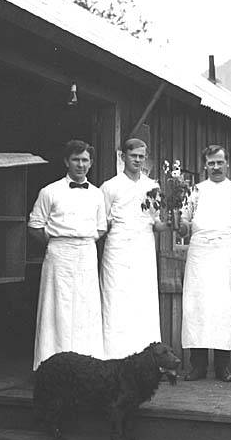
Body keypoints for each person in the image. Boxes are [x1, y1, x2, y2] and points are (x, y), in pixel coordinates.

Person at [28, 139, 107, 371]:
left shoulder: (97, 195)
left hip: (85, 253)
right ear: (66, 161)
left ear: (91, 163)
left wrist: (80, 242)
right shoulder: (49, 191)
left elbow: (101, 227)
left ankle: (88, 366)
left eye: (85, 160)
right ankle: (50, 367)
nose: (80, 165)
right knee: (56, 307)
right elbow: (35, 225)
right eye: (76, 159)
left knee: (86, 308)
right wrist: (57, 242)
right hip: (58, 253)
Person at [180, 144, 231, 383]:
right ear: (205, 166)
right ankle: (197, 366)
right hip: (199, 252)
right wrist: (176, 219)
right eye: (211, 163)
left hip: (225, 252)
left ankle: (223, 367)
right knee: (196, 306)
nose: (216, 167)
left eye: (220, 162)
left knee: (222, 308)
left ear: (227, 163)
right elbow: (184, 223)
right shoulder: (195, 191)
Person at [99, 138, 169, 359]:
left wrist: (172, 223)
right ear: (123, 157)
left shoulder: (152, 186)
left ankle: (145, 357)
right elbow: (101, 222)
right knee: (116, 299)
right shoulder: (110, 187)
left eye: (141, 156)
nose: (138, 160)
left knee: (143, 299)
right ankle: (115, 356)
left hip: (143, 249)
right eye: (133, 156)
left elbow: (156, 222)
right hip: (118, 250)